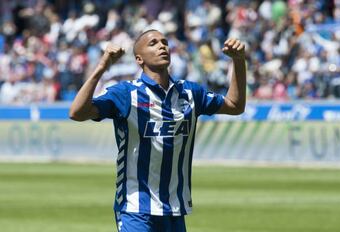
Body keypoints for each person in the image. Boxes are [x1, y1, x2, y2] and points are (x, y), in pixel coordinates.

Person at [69, 29, 246, 232]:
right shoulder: (127, 94)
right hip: (135, 208)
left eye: (164, 42)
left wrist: (239, 61)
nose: (162, 46)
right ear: (139, 59)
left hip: (175, 209)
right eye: (153, 43)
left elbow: (235, 105)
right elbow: (77, 112)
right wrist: (102, 66)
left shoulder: (190, 92)